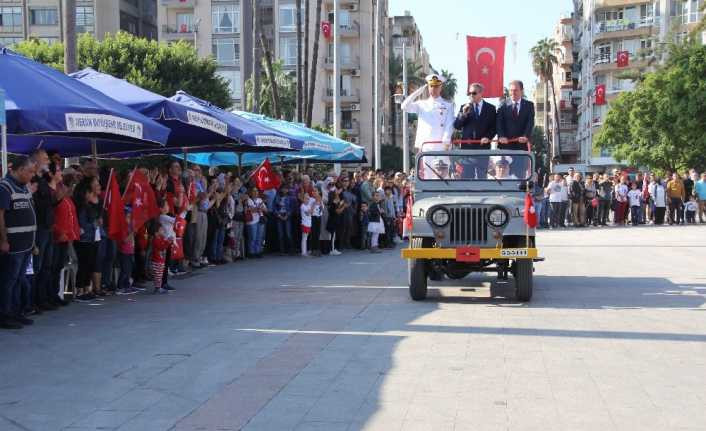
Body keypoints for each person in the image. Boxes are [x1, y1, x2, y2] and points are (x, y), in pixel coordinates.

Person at [0, 157, 38, 329]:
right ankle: (4, 315)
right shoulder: (5, 187)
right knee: (9, 281)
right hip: (13, 245)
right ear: (20, 169)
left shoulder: (24, 188)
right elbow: (0, 215)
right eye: (30, 171)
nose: (32, 175)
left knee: (18, 280)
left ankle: (15, 312)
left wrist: (33, 243)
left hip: (26, 244)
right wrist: (3, 240)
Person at [401, 73, 455, 179]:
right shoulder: (421, 104)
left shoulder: (448, 105)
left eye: (436, 86)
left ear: (441, 87)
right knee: (426, 176)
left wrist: (446, 141)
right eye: (431, 86)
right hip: (426, 146)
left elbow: (449, 124)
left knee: (442, 176)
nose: (433, 89)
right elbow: (404, 106)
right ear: (428, 87)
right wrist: (419, 91)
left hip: (441, 145)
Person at [496, 80, 535, 152]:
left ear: (522, 91)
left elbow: (530, 122)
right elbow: (499, 123)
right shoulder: (502, 105)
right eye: (511, 90)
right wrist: (501, 136)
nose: (513, 93)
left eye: (515, 90)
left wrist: (525, 136)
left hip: (522, 145)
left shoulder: (529, 105)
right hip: (505, 146)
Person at [117, 206, 138, 295]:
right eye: (128, 217)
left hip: (130, 251)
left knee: (129, 269)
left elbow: (132, 239)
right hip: (124, 251)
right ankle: (120, 287)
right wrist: (132, 233)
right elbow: (125, 240)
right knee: (124, 270)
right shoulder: (122, 227)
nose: (129, 219)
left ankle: (127, 285)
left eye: (130, 217)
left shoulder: (130, 226)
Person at [245, 187, 267, 258]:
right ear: (251, 193)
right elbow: (251, 210)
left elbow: (266, 210)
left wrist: (261, 208)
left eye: (256, 191)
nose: (255, 192)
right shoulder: (248, 200)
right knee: (252, 237)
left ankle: (258, 251)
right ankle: (251, 252)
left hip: (260, 220)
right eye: (254, 191)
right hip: (252, 221)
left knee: (259, 237)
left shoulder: (260, 200)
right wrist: (259, 208)